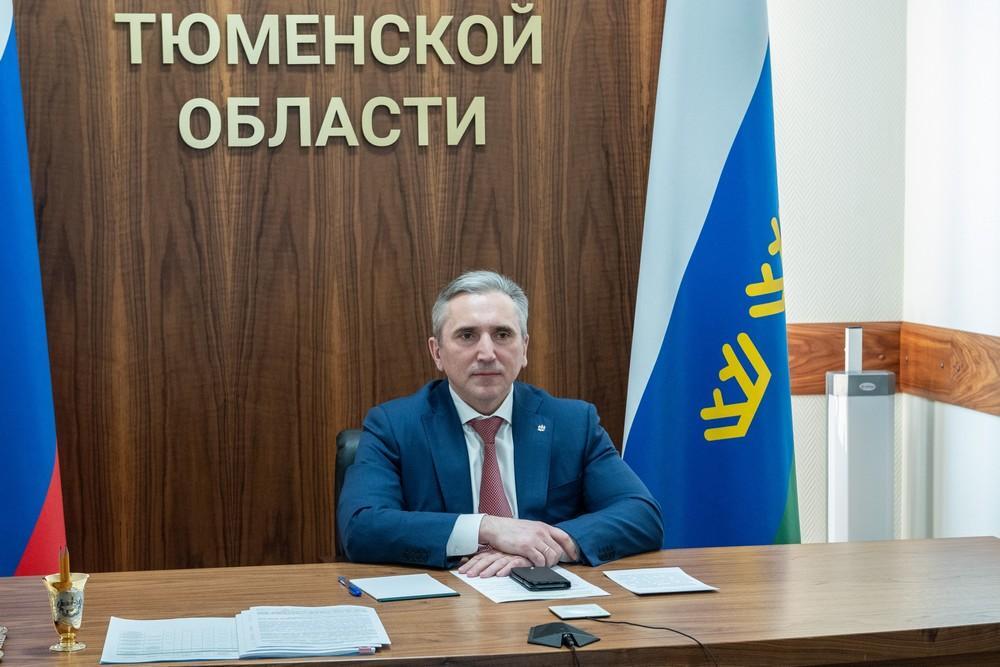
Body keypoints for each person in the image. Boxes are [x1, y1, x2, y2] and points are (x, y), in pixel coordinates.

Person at [337, 270, 663, 577]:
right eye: (467, 335)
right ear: (437, 352)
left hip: (545, 592)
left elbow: (641, 515)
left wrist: (542, 547)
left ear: (524, 348)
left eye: (502, 334)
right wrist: (488, 528)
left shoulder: (573, 423)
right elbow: (361, 527)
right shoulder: (394, 426)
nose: (487, 353)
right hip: (444, 599)